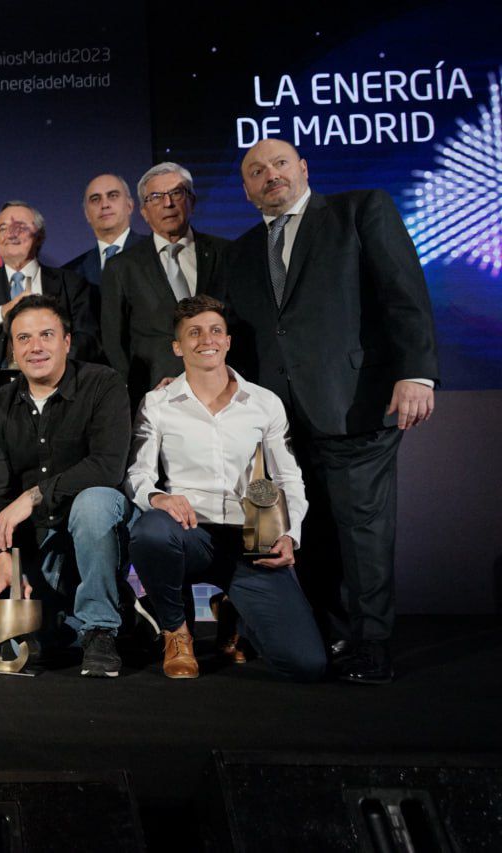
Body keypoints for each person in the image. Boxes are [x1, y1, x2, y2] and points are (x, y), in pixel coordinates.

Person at [221, 138, 438, 684]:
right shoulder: (240, 252)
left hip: (355, 404)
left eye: (279, 163)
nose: (270, 175)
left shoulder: (360, 211)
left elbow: (403, 293)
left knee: (363, 533)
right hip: (282, 426)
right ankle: (334, 635)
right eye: (256, 171)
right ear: (246, 190)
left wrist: (416, 372)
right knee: (309, 532)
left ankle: (372, 644)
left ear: (303, 168)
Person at [126, 295, 327, 682]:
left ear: (228, 341)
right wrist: (158, 497)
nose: (207, 339)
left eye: (215, 330)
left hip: (250, 539)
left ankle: (234, 609)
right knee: (150, 532)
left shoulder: (264, 403)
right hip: (188, 534)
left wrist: (290, 535)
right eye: (194, 333)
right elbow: (137, 474)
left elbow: (288, 478)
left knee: (305, 664)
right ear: (177, 347)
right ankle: (176, 632)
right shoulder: (157, 403)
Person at [0, 294, 131, 678]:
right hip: (38, 538)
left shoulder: (103, 384)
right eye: (23, 338)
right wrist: (2, 559)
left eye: (46, 335)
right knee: (42, 643)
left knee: (93, 502)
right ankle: (122, 619)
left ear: (67, 341)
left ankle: (100, 629)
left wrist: (34, 495)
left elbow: (107, 467)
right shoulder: (0, 404)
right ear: (12, 350)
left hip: (93, 526)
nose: (35, 347)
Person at [0, 200, 101, 426]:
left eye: (19, 226)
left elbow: (89, 339)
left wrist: (52, 368)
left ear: (39, 236)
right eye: (3, 228)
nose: (11, 233)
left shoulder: (70, 283)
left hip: (59, 399)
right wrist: (1, 313)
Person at [100, 163, 227, 405]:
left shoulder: (226, 254)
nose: (168, 203)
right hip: (156, 395)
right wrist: (136, 395)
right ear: (143, 211)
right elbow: (114, 343)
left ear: (192, 201)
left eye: (177, 193)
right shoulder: (121, 267)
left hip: (222, 392)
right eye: (156, 197)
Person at [61, 174, 149, 319]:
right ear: (87, 214)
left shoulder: (155, 252)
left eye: (113, 196)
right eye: (95, 199)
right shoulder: (71, 273)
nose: (104, 205)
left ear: (130, 206)